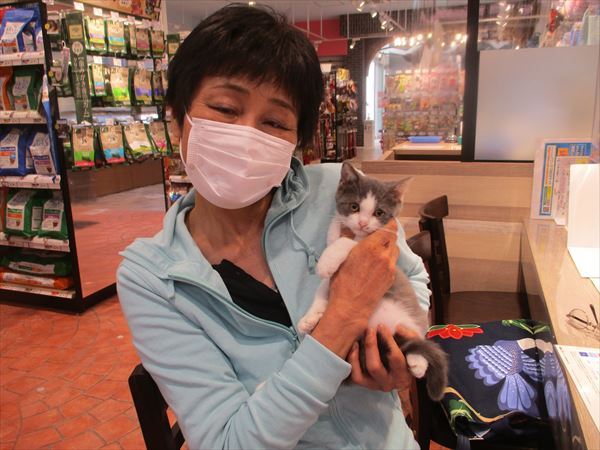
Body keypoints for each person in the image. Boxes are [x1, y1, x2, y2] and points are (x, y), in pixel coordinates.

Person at [117, 5, 430, 449]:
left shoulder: (336, 192)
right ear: (176, 118)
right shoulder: (153, 278)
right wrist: (343, 317)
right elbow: (227, 442)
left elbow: (411, 275)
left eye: (274, 122)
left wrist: (399, 342)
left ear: (296, 141)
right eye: (225, 108)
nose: (247, 136)